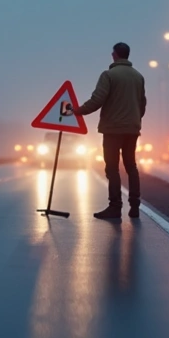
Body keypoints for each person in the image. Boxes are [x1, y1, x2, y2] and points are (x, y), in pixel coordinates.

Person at [65, 42, 146, 219]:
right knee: (131, 166)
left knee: (112, 168)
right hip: (132, 130)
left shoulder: (109, 75)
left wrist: (78, 110)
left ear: (115, 55)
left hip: (112, 129)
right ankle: (134, 206)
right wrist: (135, 120)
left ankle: (115, 207)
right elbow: (142, 104)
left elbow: (97, 99)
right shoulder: (138, 77)